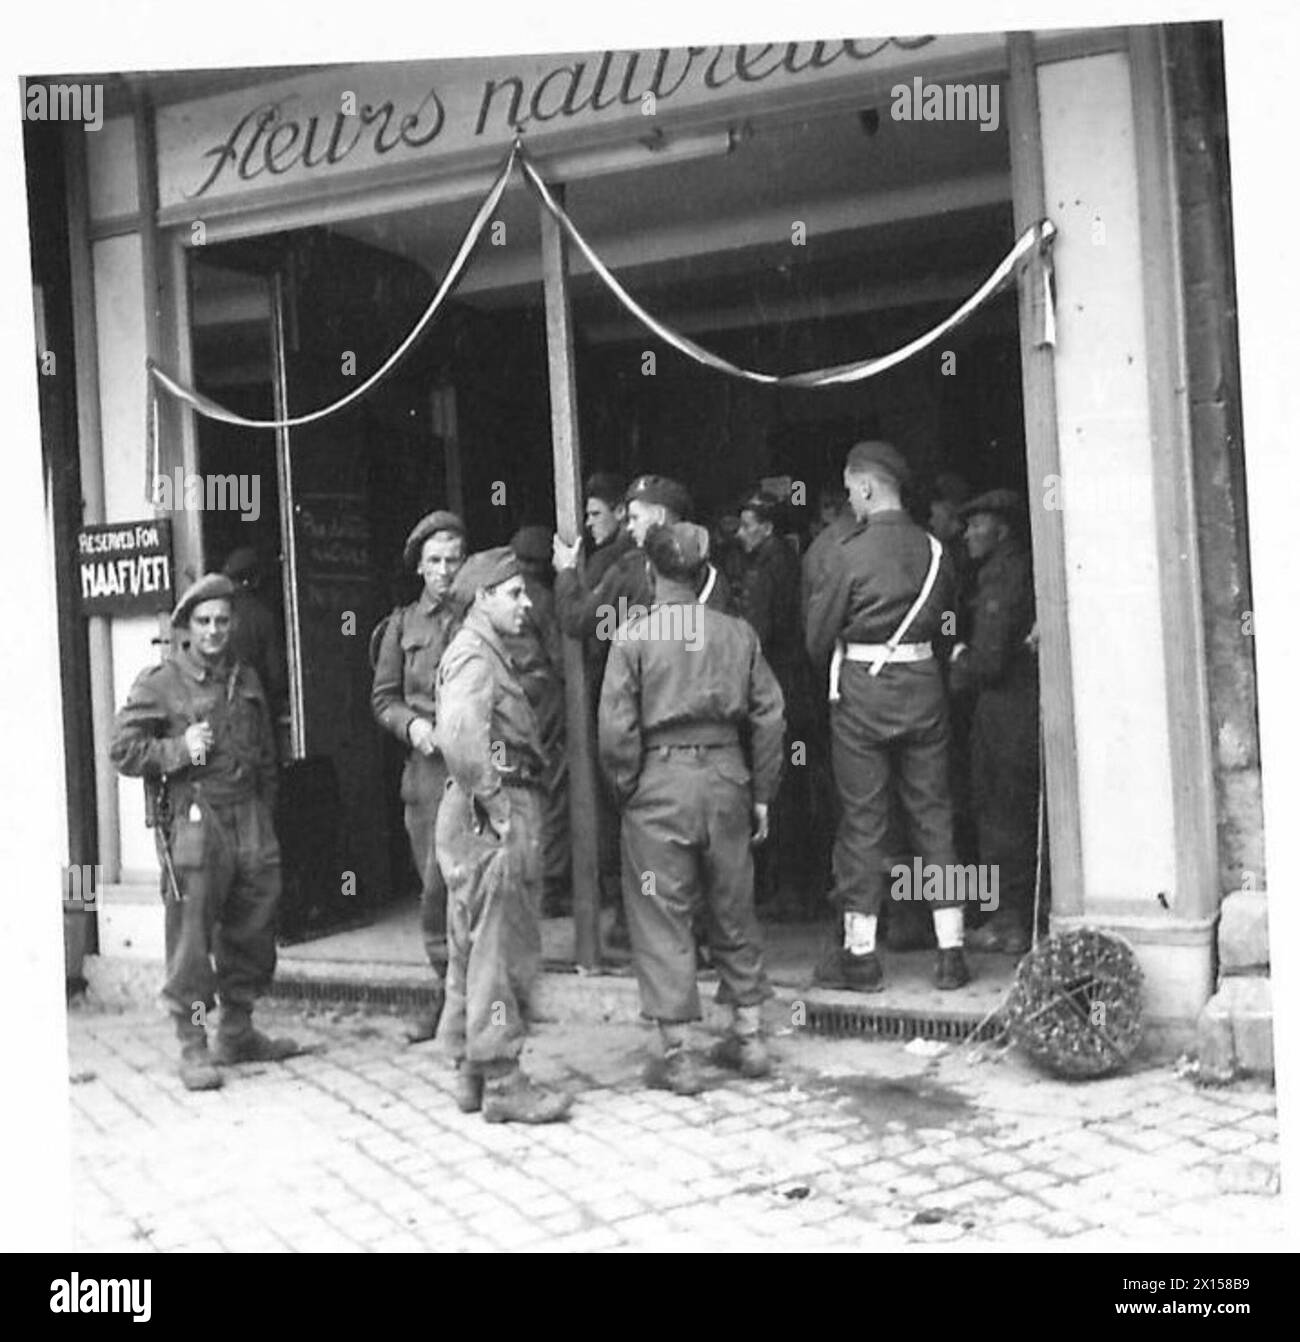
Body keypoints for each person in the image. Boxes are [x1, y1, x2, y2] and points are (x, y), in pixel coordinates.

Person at [599, 523, 785, 1095]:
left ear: (652, 573)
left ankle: (678, 1055)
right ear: (703, 572)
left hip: (660, 782)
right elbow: (771, 717)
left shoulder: (633, 636)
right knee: (733, 903)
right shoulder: (737, 633)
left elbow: (615, 729)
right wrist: (760, 794)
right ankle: (749, 1037)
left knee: (662, 913)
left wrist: (629, 788)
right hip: (728, 779)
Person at [110, 574, 299, 1091]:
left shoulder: (247, 676)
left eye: (222, 620)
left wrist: (266, 809)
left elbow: (265, 755)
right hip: (196, 817)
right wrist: (177, 751)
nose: (215, 630)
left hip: (249, 815)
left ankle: (237, 1031)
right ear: (186, 629)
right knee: (192, 935)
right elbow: (122, 750)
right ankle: (194, 1044)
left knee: (254, 924)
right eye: (204, 622)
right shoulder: (161, 683)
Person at [805, 441, 970, 992]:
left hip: (863, 696)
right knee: (934, 815)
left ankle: (861, 957)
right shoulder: (937, 551)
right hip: (925, 688)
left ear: (869, 487)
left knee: (863, 823)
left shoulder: (846, 554)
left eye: (852, 489)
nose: (850, 499)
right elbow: (948, 622)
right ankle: (952, 952)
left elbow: (816, 638)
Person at [434, 547, 572, 1124]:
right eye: (513, 593)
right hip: (494, 803)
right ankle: (504, 1079)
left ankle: (469, 1070)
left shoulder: (482, 650)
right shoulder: (475, 655)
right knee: (500, 944)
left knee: (470, 941)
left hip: (473, 808)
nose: (527, 602)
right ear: (482, 598)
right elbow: (463, 735)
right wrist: (496, 803)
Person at [371, 510, 467, 1043]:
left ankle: (485, 998)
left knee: (482, 881)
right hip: (429, 771)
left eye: (454, 560)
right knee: (436, 887)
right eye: (435, 561)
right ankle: (445, 994)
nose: (445, 571)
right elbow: (383, 699)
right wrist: (414, 728)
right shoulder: (402, 625)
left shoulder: (482, 613)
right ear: (420, 567)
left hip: (475, 763)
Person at [948, 490, 1040, 955]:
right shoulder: (1007, 570)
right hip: (1013, 711)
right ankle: (1009, 917)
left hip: (1006, 714)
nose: (967, 534)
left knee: (1002, 816)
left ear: (1000, 529)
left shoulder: (1002, 577)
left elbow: (989, 661)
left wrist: (959, 655)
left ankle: (1009, 923)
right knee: (1006, 815)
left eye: (975, 525)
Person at [735, 490, 813, 915]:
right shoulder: (787, 560)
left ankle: (788, 891)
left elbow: (757, 632)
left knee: (778, 790)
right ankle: (795, 888)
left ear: (766, 527)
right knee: (793, 787)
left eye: (748, 526)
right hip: (796, 694)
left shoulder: (767, 567)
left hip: (779, 693)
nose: (742, 534)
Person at [506, 525, 569, 916]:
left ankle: (523, 885)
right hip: (543, 704)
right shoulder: (542, 599)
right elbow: (563, 658)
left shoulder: (496, 597)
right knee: (554, 791)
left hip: (506, 706)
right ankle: (549, 887)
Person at [221, 546, 288, 722]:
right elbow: (276, 675)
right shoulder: (262, 616)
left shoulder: (214, 615)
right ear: (254, 579)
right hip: (255, 707)